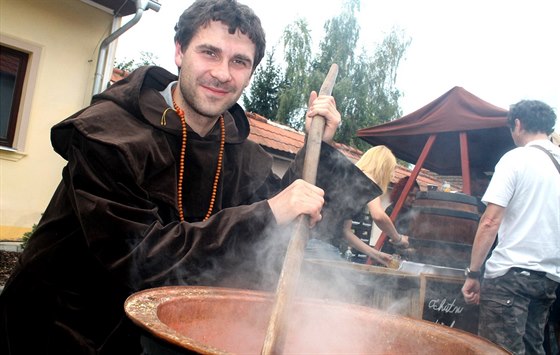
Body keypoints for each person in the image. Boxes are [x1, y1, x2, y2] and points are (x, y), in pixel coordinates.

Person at [0, 1, 379, 354]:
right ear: (180, 52)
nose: (221, 73)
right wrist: (270, 211)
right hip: (65, 332)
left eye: (239, 62)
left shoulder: (242, 154)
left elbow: (271, 235)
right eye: (209, 52)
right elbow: (140, 261)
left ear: (250, 73)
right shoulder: (108, 136)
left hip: (158, 335)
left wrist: (319, 150)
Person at [461, 100, 560, 355]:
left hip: (510, 279)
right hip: (547, 280)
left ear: (518, 124)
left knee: (496, 351)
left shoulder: (516, 159)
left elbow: (490, 221)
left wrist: (473, 274)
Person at [342, 146, 410, 266]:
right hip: (321, 246)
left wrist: (377, 255)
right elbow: (378, 216)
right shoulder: (367, 179)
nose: (392, 176)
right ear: (383, 167)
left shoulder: (351, 180)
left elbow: (345, 232)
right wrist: (398, 239)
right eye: (391, 170)